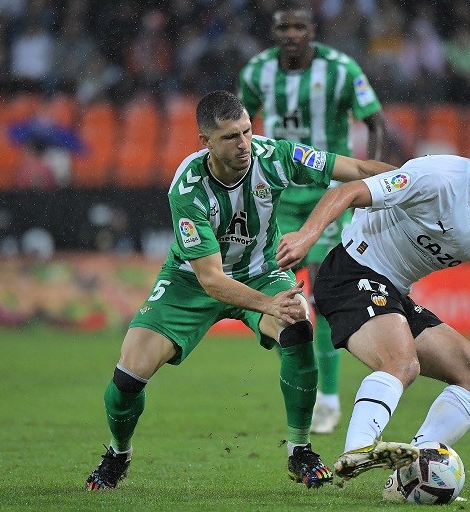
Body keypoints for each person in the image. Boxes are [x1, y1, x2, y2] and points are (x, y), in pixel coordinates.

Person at [84, 90, 398, 491]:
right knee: (128, 377)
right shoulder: (189, 188)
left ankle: (299, 449)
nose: (245, 144)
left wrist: (422, 178)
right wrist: (270, 304)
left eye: (248, 131)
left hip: (260, 272)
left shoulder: (275, 156)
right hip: (189, 283)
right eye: (231, 137)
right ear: (206, 142)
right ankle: (117, 454)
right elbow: (210, 279)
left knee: (298, 326)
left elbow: (354, 167)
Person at [276, 112, 470, 482]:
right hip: (351, 271)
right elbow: (346, 191)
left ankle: (414, 471)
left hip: (395, 294)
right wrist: (307, 236)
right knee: (401, 362)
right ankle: (358, 449)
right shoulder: (437, 176)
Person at [238, 0, 387, 435]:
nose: (290, 35)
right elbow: (236, 121)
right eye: (283, 28)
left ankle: (327, 398)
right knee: (275, 292)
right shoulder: (256, 72)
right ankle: (297, 369)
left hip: (327, 196)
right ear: (274, 32)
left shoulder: (341, 70)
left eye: (298, 28)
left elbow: (375, 122)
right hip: (277, 197)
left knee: (321, 292)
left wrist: (368, 187)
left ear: (312, 32)